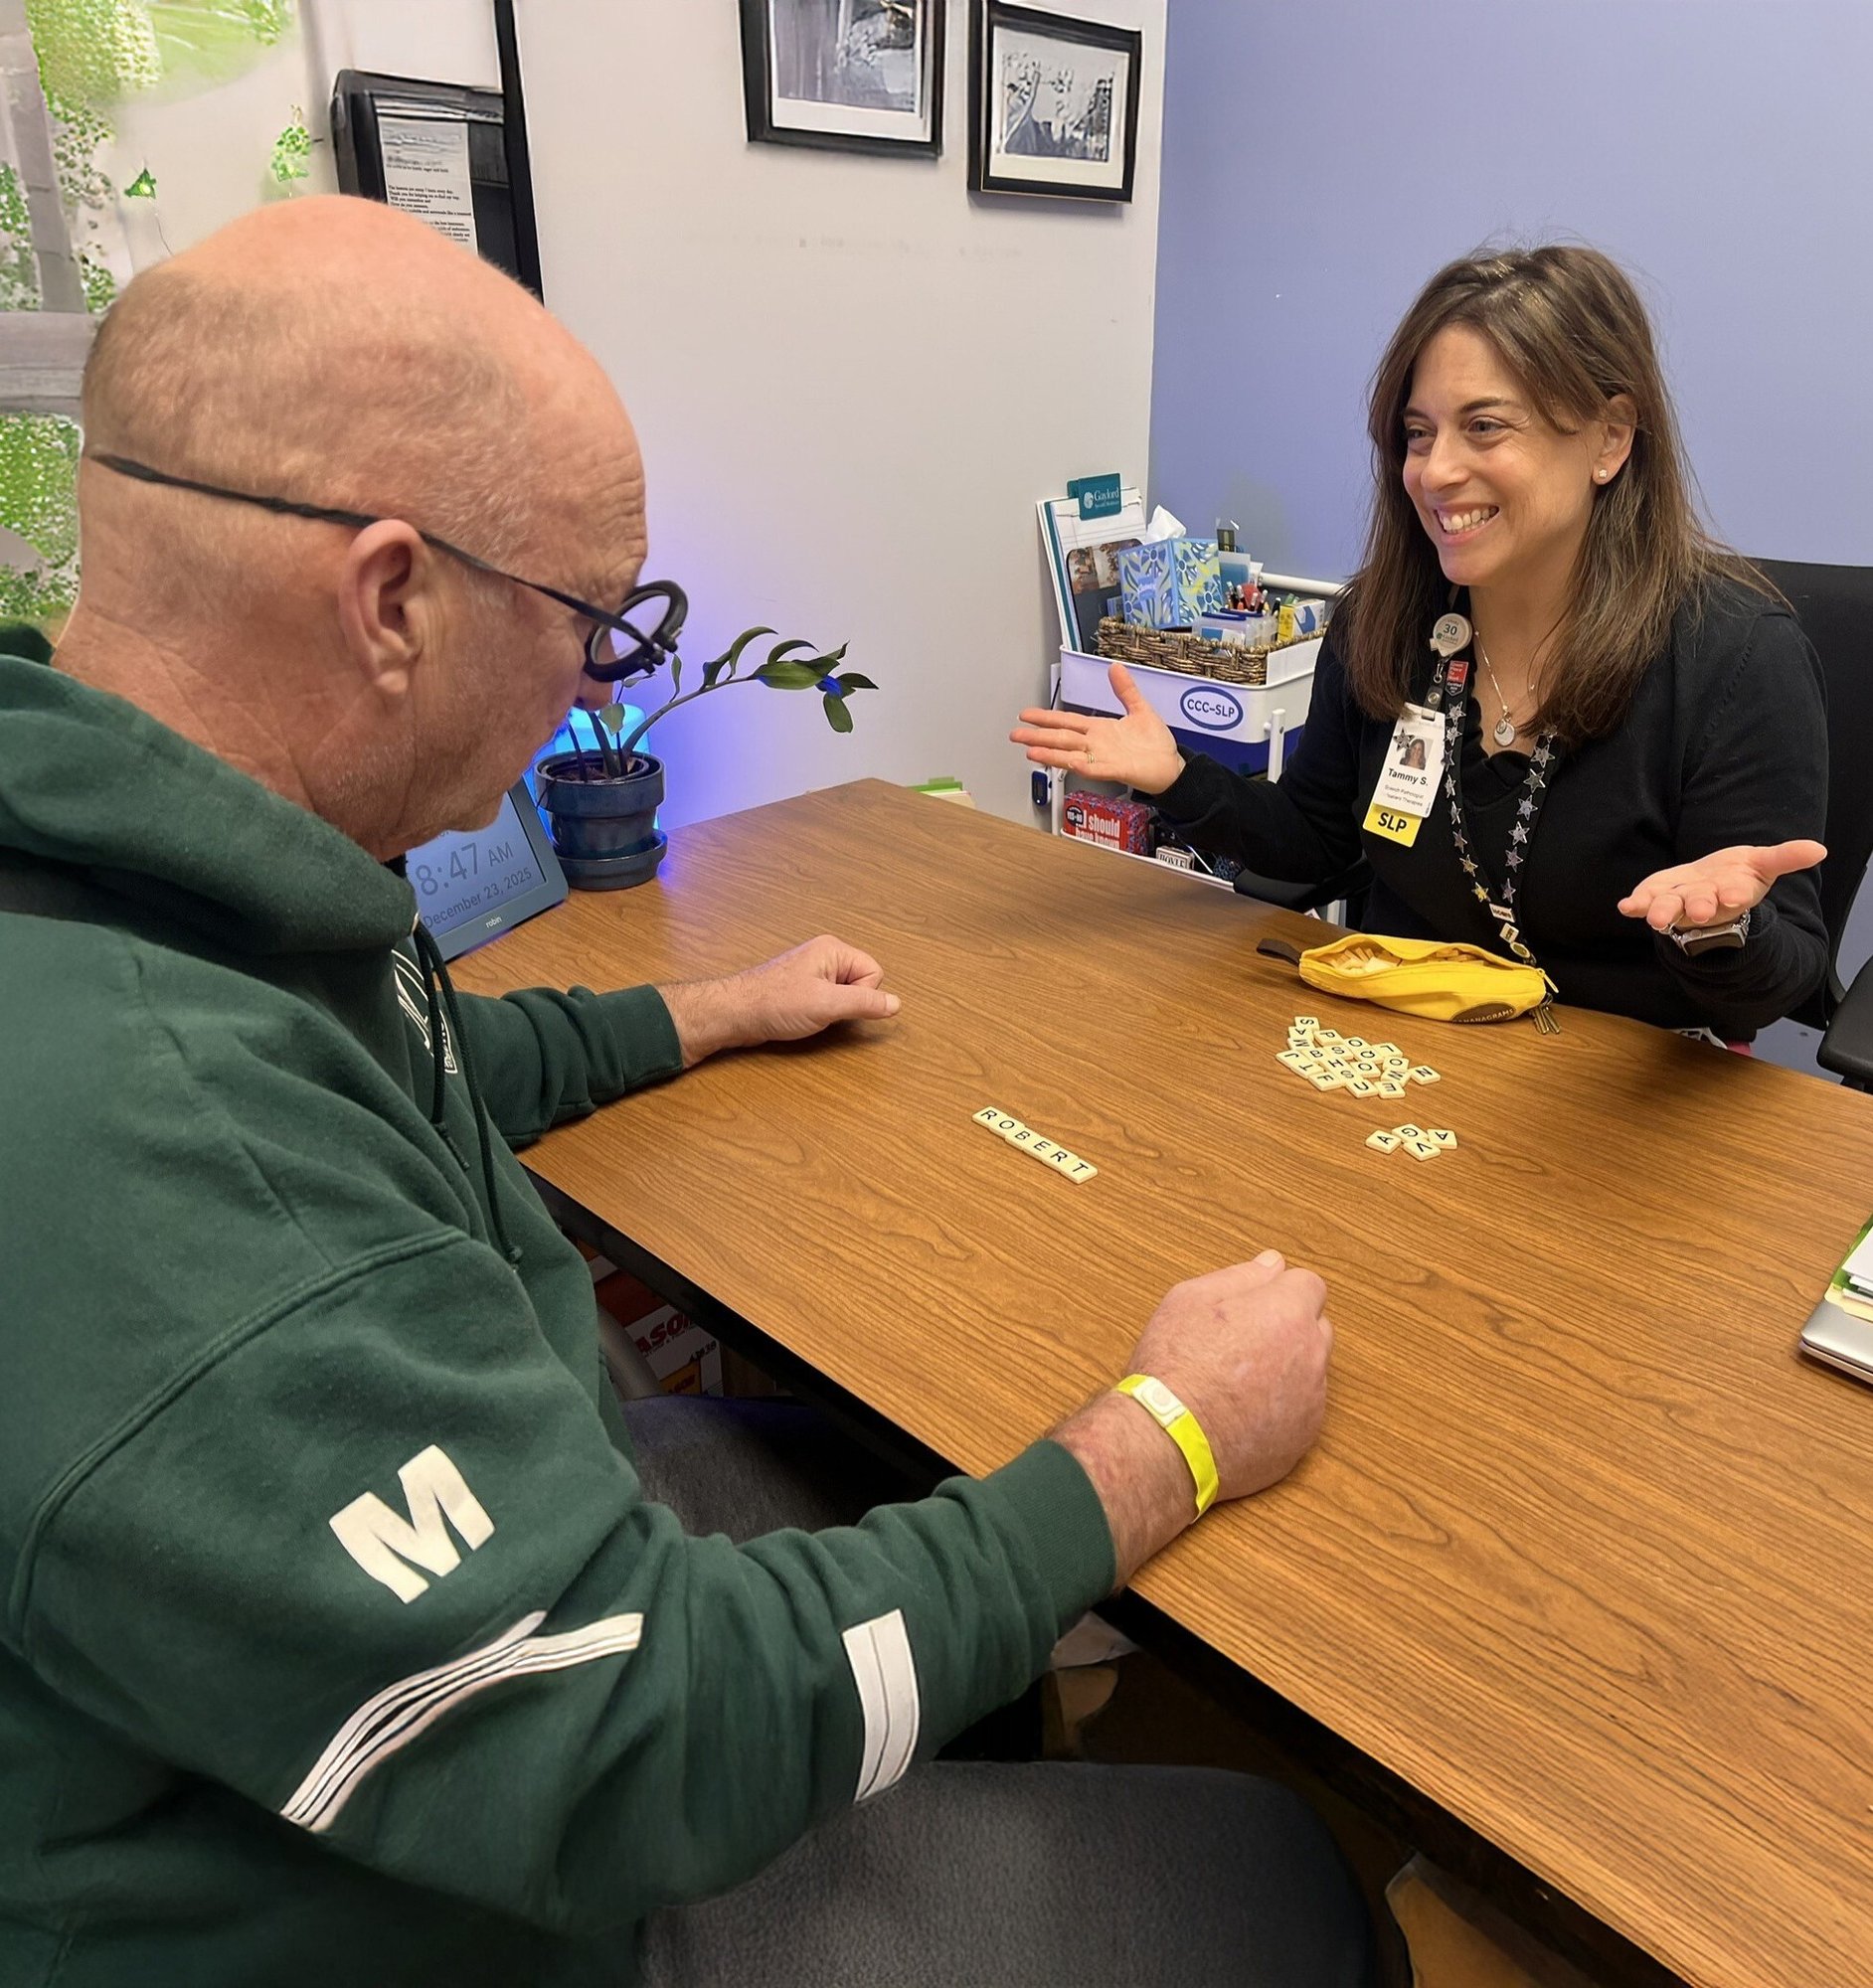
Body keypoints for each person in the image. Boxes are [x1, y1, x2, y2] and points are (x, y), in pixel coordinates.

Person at [0, 197, 1377, 1987]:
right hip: (475, 1913)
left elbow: (414, 1070)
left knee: (884, 1471)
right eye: (593, 618)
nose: (603, 677)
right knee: (1279, 1886)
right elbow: (650, 1744)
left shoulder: (164, 869)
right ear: (391, 601)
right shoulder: (154, 1147)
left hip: (458, 1681)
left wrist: (710, 1010)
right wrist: (1167, 1434)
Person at [1015, 246, 1828, 1042]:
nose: (1434, 472)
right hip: (1399, 1044)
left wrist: (1717, 926)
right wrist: (1178, 778)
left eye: (1484, 427)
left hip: (1612, 1084)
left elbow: (1775, 984)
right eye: (1417, 433)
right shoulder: (1386, 619)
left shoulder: (1736, 658)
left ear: (1610, 439)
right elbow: (1315, 842)